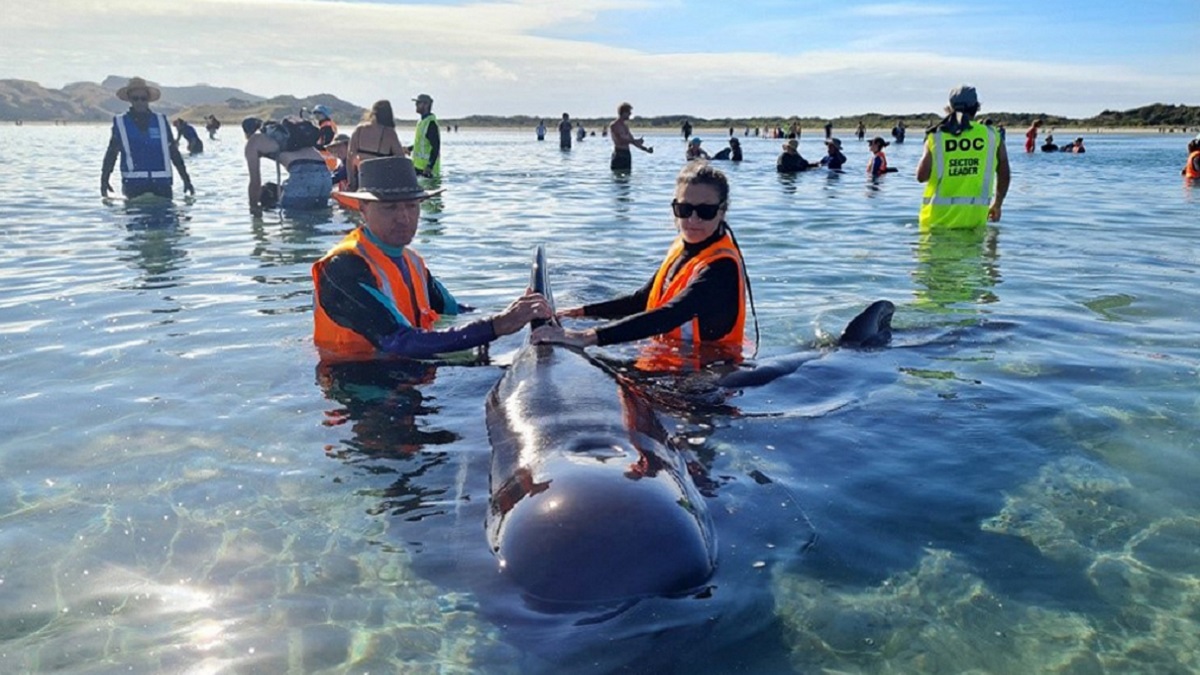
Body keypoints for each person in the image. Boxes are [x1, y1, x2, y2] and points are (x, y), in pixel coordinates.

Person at [312, 156, 550, 361]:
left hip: (411, 372)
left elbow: (454, 310)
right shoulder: (342, 267)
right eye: (390, 208)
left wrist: (519, 313)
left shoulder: (412, 260)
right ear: (362, 208)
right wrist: (497, 326)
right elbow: (397, 341)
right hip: (358, 387)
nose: (404, 218)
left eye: (412, 206)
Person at [532, 161, 747, 361]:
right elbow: (642, 301)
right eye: (684, 209)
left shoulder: (721, 268)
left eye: (705, 211)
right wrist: (582, 312)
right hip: (670, 356)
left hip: (705, 375)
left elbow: (671, 314)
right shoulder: (683, 248)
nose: (692, 220)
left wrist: (585, 336)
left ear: (722, 211)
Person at [916, 85, 1011, 229]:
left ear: (950, 108)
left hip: (936, 223)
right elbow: (1004, 173)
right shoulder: (992, 135)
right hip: (974, 222)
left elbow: (921, 176)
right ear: (977, 107)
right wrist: (997, 204)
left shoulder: (936, 136)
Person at [100, 76, 194, 200]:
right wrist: (104, 180)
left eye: (143, 98)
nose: (140, 102)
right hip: (134, 185)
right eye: (135, 98)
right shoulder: (120, 123)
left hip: (162, 185)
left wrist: (186, 180)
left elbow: (173, 152)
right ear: (129, 99)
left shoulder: (161, 121)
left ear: (148, 100)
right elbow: (112, 153)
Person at [242, 116, 330, 212]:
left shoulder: (253, 142)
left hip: (302, 174)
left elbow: (255, 183)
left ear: (246, 133)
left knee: (294, 222)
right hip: (325, 173)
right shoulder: (287, 134)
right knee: (320, 216)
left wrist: (253, 208)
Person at [346, 100, 406, 191]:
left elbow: (350, 158)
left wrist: (351, 182)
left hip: (361, 180)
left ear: (372, 113)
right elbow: (401, 160)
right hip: (382, 183)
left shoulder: (359, 130)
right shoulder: (389, 133)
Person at [609, 102, 654, 171]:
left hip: (627, 154)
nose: (630, 114)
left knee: (627, 176)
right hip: (619, 154)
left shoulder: (625, 126)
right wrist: (634, 141)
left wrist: (646, 149)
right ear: (624, 112)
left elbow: (632, 140)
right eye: (629, 112)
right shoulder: (615, 125)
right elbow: (620, 140)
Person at [411, 93, 441, 178]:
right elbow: (422, 143)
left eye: (418, 103)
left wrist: (429, 166)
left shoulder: (430, 123)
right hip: (418, 168)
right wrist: (409, 148)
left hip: (428, 172)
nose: (415, 105)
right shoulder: (421, 121)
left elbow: (436, 146)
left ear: (426, 105)